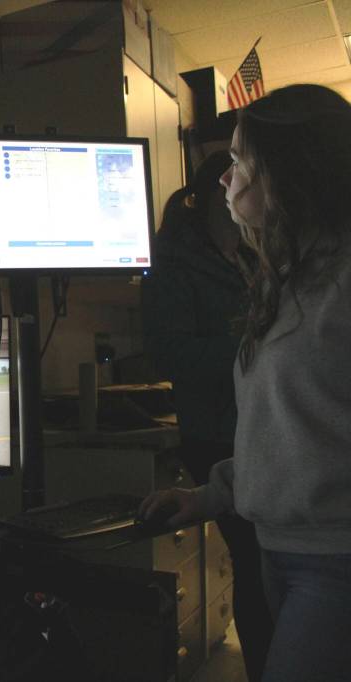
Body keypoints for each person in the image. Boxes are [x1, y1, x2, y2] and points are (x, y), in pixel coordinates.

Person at [140, 83, 351, 682]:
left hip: (335, 559)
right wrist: (208, 496)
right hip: (283, 550)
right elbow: (290, 433)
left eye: (238, 161)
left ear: (287, 172)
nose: (226, 181)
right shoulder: (287, 280)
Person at [141, 150, 273, 682]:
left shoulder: (243, 255)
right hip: (216, 432)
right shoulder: (175, 261)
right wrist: (255, 349)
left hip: (252, 425)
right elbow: (168, 353)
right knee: (255, 563)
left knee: (263, 564)